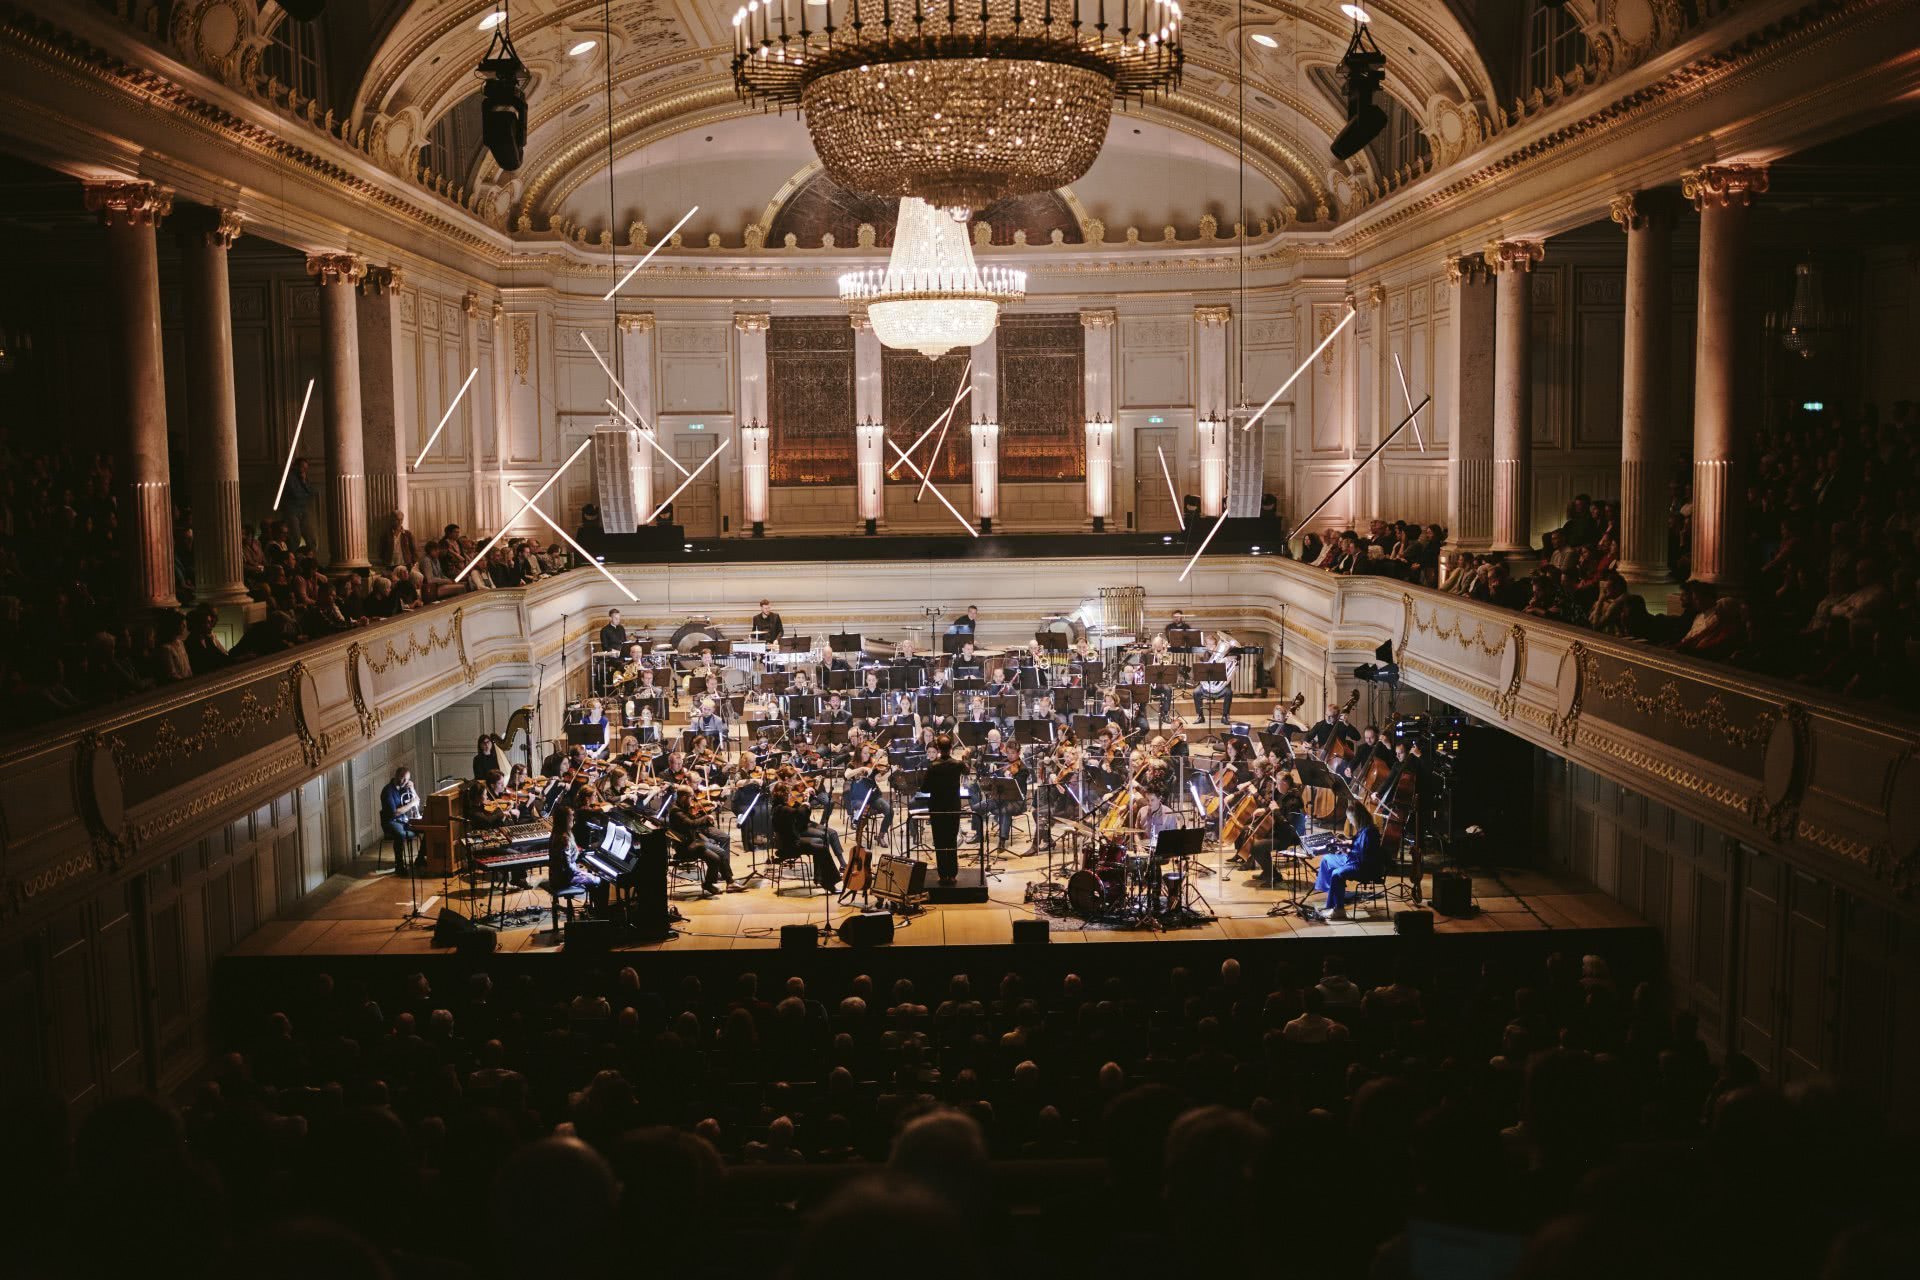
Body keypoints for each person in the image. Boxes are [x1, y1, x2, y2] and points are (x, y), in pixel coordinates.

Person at [1313, 803, 1385, 920]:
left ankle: (1339, 909)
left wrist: (1347, 851)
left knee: (1337, 874)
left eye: (1351, 819)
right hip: (1354, 860)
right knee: (1327, 859)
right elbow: (1357, 844)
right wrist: (1345, 843)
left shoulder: (1369, 832)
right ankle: (1333, 897)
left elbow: (1363, 857)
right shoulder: (1364, 829)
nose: (1350, 822)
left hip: (1363, 867)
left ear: (1356, 818)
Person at [923, 734, 969, 885]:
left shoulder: (933, 766)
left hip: (937, 807)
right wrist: (964, 757)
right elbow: (967, 770)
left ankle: (943, 875)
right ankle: (952, 874)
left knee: (939, 841)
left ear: (938, 749)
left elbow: (925, 788)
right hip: (953, 807)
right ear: (951, 748)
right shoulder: (957, 764)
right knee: (951, 840)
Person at [380, 766, 422, 872]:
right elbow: (395, 813)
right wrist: (411, 804)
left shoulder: (404, 787)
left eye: (407, 779)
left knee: (426, 829)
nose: (404, 781)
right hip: (390, 822)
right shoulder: (387, 791)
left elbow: (417, 801)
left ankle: (420, 858)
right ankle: (399, 865)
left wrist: (412, 789)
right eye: (402, 778)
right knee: (400, 834)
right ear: (396, 776)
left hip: (403, 820)